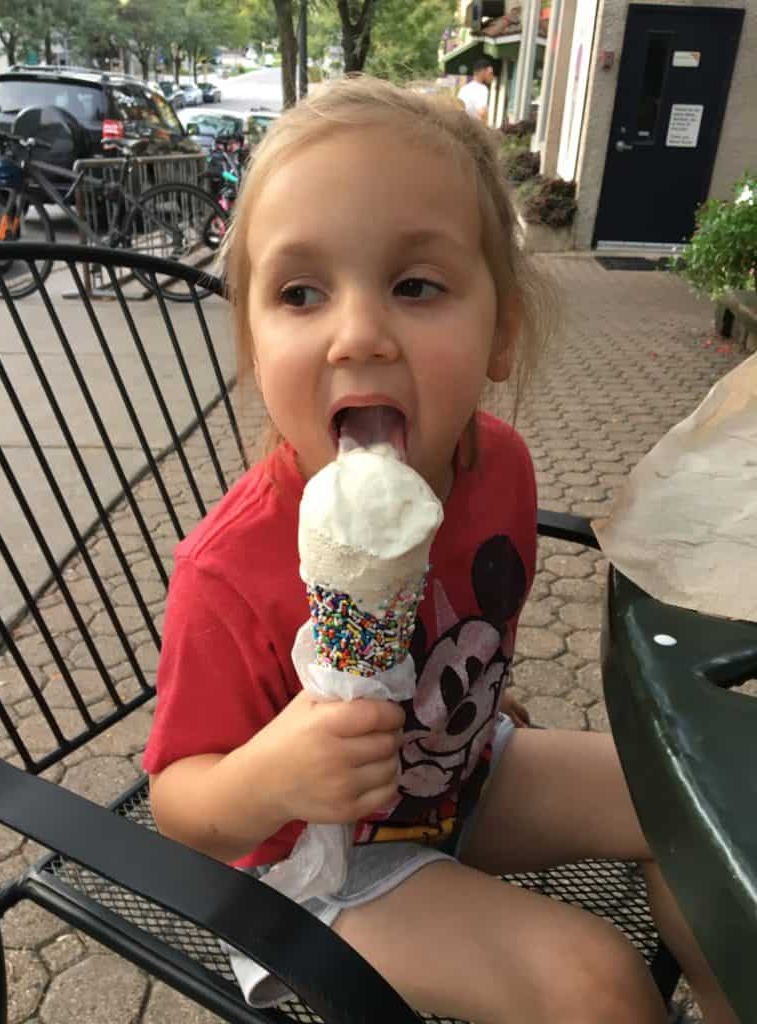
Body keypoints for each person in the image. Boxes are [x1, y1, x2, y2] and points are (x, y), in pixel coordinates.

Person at [143, 77, 737, 1024]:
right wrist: (273, 773)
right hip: (315, 865)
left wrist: (489, 715)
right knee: (597, 984)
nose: (360, 335)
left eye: (416, 285)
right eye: (301, 292)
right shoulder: (229, 567)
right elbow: (178, 801)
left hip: (463, 775)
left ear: (501, 329)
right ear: (254, 351)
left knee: (707, 811)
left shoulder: (499, 468)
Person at [457, 57, 495, 123]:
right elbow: (482, 113)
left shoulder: (464, 88)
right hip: (473, 129)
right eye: (490, 73)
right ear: (483, 72)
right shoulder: (482, 89)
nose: (492, 77)